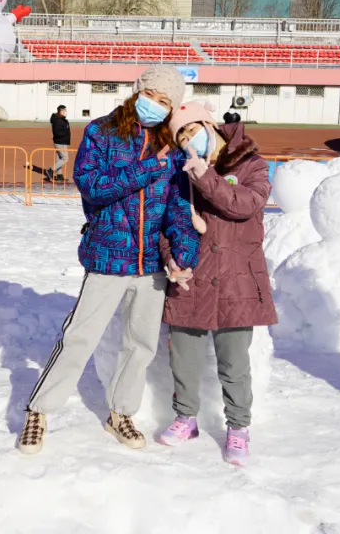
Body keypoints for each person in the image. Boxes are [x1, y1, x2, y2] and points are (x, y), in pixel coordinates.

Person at [18, 65, 200, 455]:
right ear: (138, 92)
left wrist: (183, 253)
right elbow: (93, 186)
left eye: (166, 102)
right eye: (153, 96)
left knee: (141, 344)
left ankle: (122, 412)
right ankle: (39, 410)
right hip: (107, 255)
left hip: (152, 263)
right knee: (79, 337)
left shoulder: (172, 144)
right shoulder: (101, 132)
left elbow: (179, 208)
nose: (156, 106)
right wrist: (151, 165)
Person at [156, 100, 277, 466]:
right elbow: (167, 225)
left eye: (192, 130)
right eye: (181, 137)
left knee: (234, 363)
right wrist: (171, 260)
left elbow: (243, 205)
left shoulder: (251, 164)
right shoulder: (179, 172)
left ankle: (238, 429)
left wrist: (204, 177)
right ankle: (185, 418)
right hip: (191, 279)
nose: (188, 141)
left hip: (235, 279)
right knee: (184, 360)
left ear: (209, 126)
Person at [48, 105, 70, 182]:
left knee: (60, 158)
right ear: (61, 111)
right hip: (60, 142)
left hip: (63, 141)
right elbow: (56, 132)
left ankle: (59, 175)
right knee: (65, 158)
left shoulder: (61, 119)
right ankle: (50, 170)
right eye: (65, 111)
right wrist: (65, 133)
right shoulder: (58, 120)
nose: (66, 112)